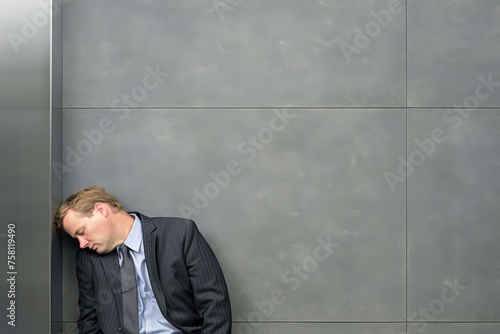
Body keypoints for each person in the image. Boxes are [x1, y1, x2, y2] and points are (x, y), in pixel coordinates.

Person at [53, 186, 232, 334]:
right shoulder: (88, 260)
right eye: (76, 239)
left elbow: (214, 303)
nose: (82, 244)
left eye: (81, 232)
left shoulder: (180, 233)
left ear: (101, 210)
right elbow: (88, 322)